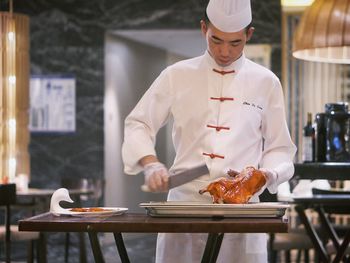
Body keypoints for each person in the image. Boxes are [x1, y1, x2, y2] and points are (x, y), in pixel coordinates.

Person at [122, 0, 297, 262]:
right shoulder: (176, 75)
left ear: (248, 35)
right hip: (184, 207)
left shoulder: (266, 82)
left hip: (241, 212)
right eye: (216, 40)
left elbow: (280, 148)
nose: (224, 51)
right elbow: (139, 123)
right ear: (204, 28)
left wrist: (266, 175)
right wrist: (151, 164)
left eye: (235, 43)